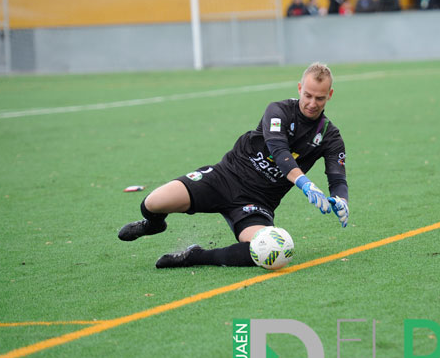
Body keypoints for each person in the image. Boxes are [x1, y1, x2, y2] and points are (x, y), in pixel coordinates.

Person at [118, 62, 349, 269]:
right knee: (152, 203)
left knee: (267, 252)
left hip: (257, 202)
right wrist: (304, 183)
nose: (312, 103)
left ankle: (194, 256)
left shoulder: (330, 136)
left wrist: (340, 199)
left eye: (319, 98)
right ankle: (153, 225)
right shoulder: (277, 110)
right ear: (299, 88)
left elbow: (337, 178)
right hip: (223, 178)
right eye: (308, 95)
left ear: (330, 95)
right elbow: (279, 151)